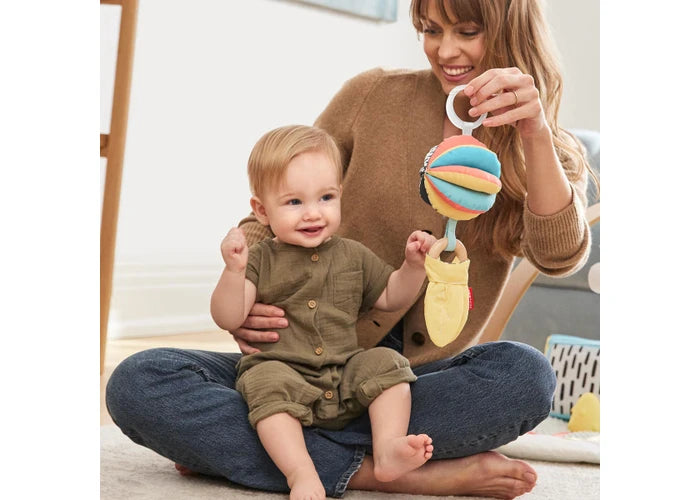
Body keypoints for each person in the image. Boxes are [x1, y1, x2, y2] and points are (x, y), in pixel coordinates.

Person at [106, 0, 595, 498]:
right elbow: (278, 198)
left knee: (526, 376)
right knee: (140, 381)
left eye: (467, 31)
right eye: (431, 30)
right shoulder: (372, 95)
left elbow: (559, 256)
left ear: (512, 30)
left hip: (403, 386)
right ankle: (381, 471)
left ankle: (264, 450)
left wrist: (533, 134)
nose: (445, 51)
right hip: (291, 362)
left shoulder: (544, 146)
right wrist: (247, 289)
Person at [212, 124, 436, 499]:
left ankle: (387, 449)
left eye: (326, 197)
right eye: (294, 203)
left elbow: (391, 297)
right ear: (262, 211)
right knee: (263, 381)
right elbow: (228, 317)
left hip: (344, 375)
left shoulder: (353, 254)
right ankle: (301, 472)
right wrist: (233, 272)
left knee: (387, 362)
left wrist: (413, 267)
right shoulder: (261, 258)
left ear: (339, 195)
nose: (313, 213)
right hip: (284, 375)